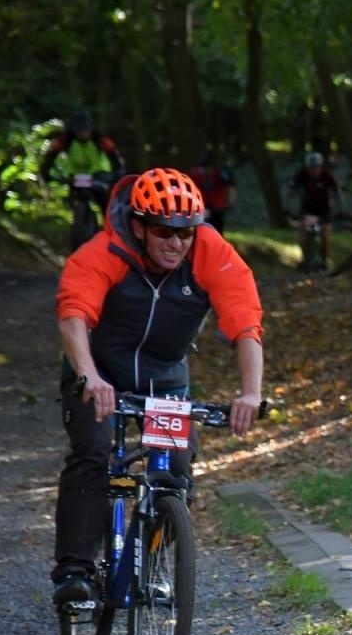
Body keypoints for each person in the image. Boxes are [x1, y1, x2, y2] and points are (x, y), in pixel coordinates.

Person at [51, 167, 265, 608]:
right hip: (98, 373)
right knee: (93, 454)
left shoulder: (209, 251)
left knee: (175, 472)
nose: (176, 243)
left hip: (163, 379)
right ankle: (74, 572)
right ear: (140, 226)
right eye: (165, 232)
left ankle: (151, 565)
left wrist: (250, 391)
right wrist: (88, 374)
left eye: (186, 233)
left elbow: (245, 324)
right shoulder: (104, 250)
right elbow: (74, 314)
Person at [39, 110, 125, 214]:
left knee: (104, 200)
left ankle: (107, 223)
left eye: (85, 130)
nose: (82, 133)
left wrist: (118, 172)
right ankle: (80, 219)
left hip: (98, 175)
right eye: (79, 130)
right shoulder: (67, 139)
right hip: (77, 177)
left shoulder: (99, 138)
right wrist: (45, 172)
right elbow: (51, 155)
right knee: (75, 199)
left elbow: (114, 155)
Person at [287, 151, 342, 267]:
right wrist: (292, 211)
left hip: (324, 210)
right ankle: (303, 257)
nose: (315, 170)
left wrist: (335, 211)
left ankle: (324, 258)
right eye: (312, 168)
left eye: (317, 167)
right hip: (307, 209)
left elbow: (337, 193)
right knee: (301, 230)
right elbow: (291, 192)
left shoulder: (327, 176)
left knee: (325, 234)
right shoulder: (301, 175)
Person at [188, 149, 237, 234]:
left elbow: (230, 188)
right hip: (206, 207)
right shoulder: (219, 172)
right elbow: (230, 187)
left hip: (213, 208)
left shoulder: (220, 173)